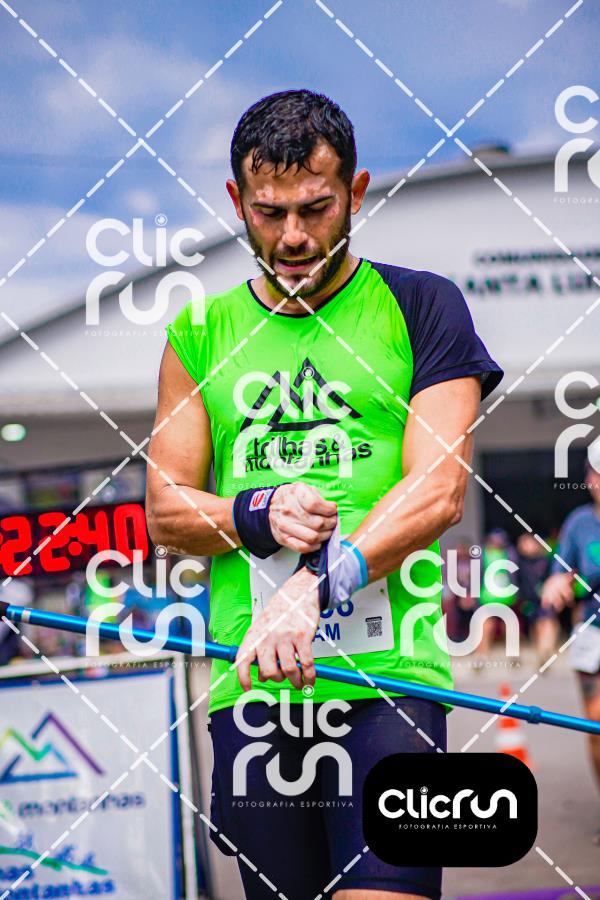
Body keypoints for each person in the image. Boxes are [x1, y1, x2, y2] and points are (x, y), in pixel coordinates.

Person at [145, 90, 503, 900]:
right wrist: (255, 513)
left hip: (390, 685)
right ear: (237, 200)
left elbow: (439, 488)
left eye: (316, 208)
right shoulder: (197, 335)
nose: (294, 236)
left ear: (357, 191)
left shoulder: (422, 305)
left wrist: (315, 587)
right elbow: (165, 512)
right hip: (254, 689)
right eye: (269, 213)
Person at [542, 453, 600, 823]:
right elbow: (560, 570)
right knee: (596, 727)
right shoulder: (579, 523)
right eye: (596, 473)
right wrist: (556, 582)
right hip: (593, 633)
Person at [516, 532, 553, 667]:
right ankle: (540, 652)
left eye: (527, 543)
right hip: (528, 600)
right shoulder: (519, 562)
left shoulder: (546, 561)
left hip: (545, 598)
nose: (524, 547)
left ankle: (545, 652)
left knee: (547, 621)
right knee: (534, 626)